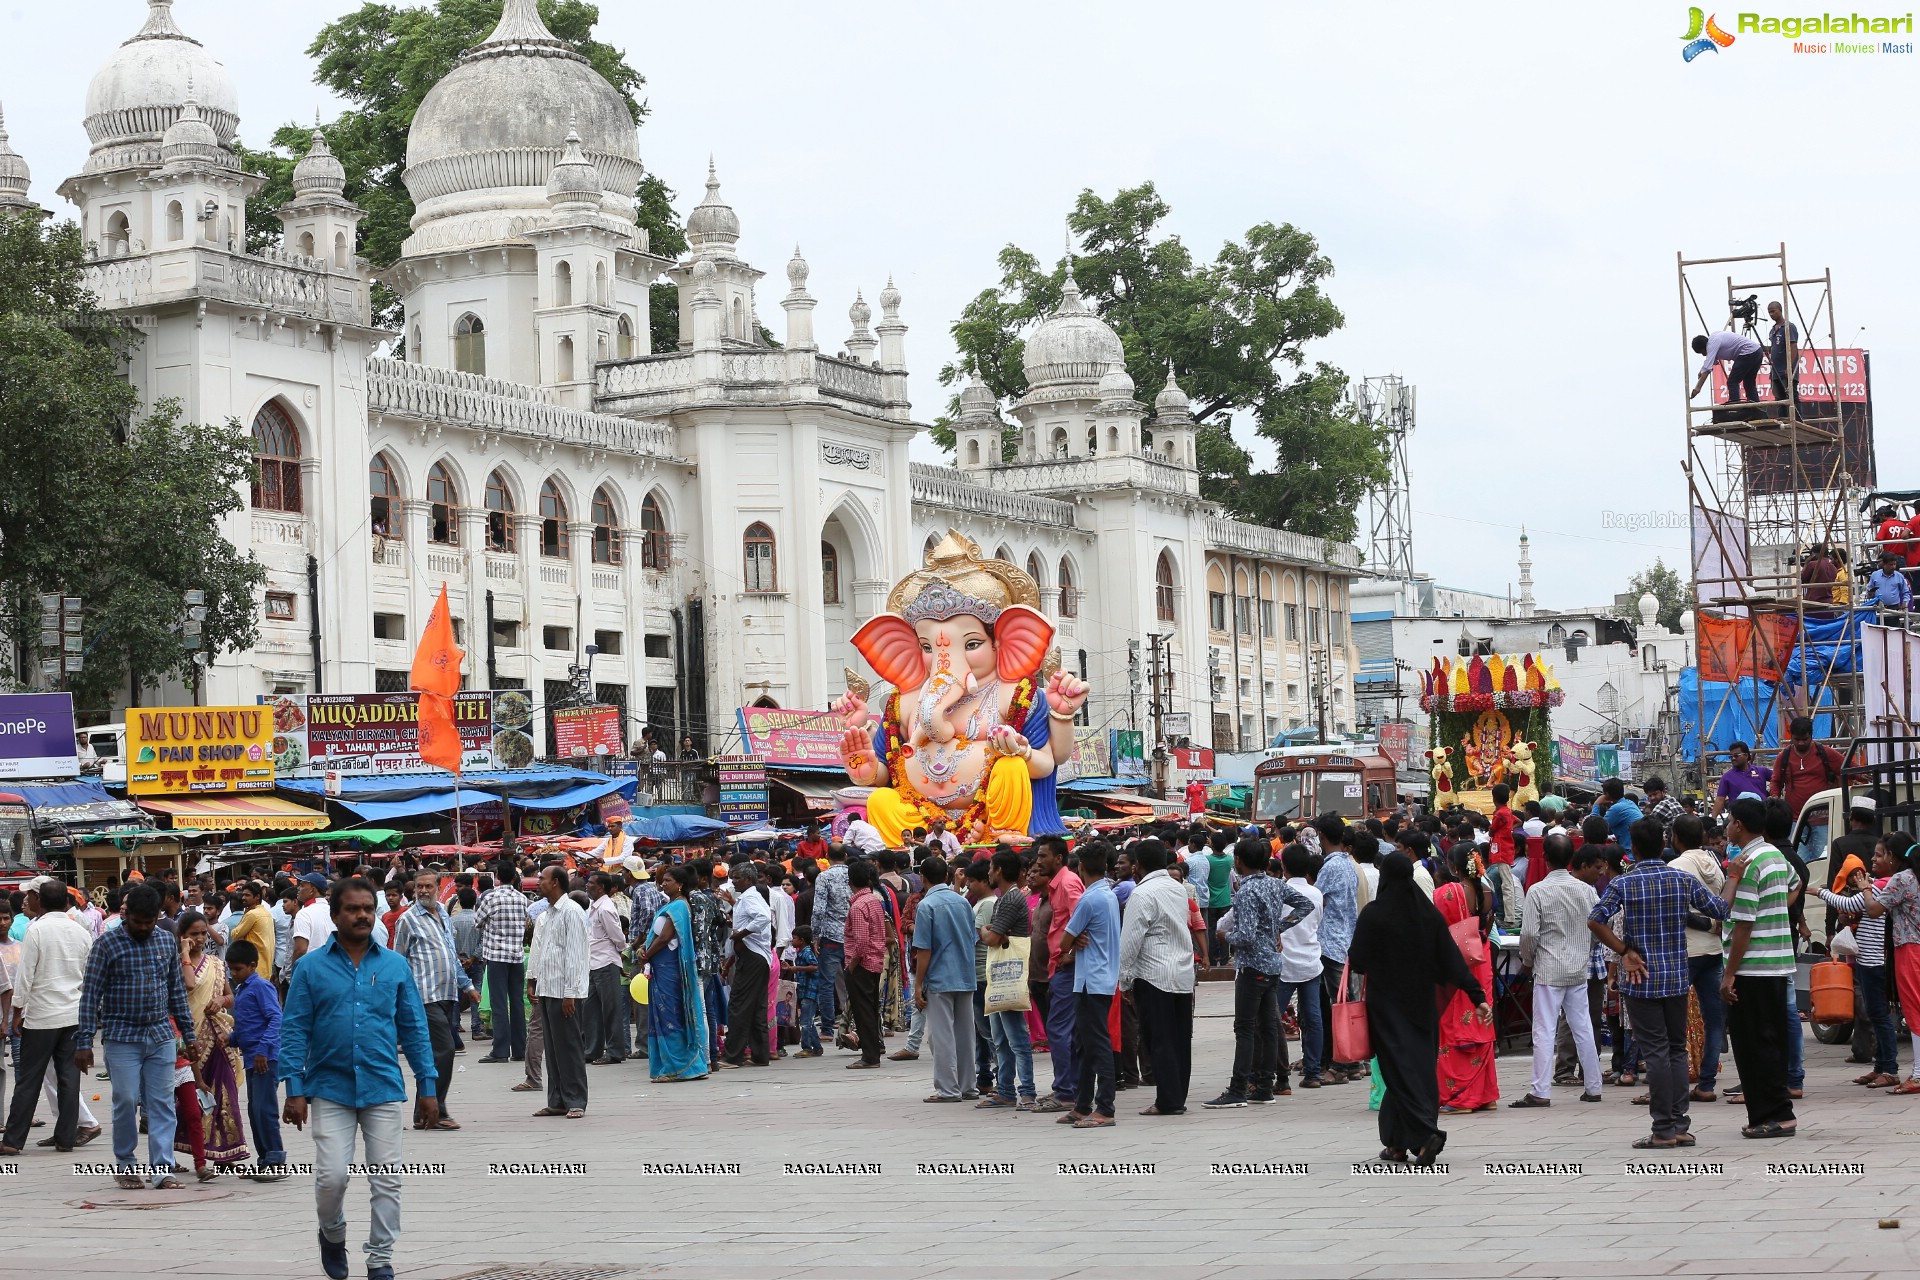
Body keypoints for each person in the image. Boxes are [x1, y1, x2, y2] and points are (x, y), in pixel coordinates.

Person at [281, 877, 436, 1280]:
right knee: (332, 1176)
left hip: (382, 1085)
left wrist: (428, 1085)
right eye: (353, 908)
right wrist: (293, 1089)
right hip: (329, 1087)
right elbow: (294, 1029)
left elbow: (414, 1028)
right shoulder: (310, 967)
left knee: (387, 1179)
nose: (363, 915)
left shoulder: (394, 966)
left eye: (368, 908)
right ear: (335, 916)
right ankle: (331, 1234)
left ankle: (380, 1259)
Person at [1589, 818, 1734, 1149]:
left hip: (1641, 979)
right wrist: (1734, 875)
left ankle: (1663, 1129)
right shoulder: (1681, 880)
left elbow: (1595, 920)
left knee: (1655, 1051)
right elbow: (1721, 909)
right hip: (1677, 978)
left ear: (1634, 849)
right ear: (1664, 843)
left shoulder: (1624, 884)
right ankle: (1679, 1123)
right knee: (1676, 1049)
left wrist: (1625, 951)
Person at [1350, 853, 1489, 1166]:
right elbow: (1452, 960)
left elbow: (1357, 959)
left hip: (1386, 1009)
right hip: (1422, 1008)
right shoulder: (1427, 914)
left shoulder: (1374, 914)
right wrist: (1477, 995)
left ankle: (1426, 1135)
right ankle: (1396, 1144)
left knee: (1398, 1073)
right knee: (1419, 1071)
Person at [74, 884, 196, 1189]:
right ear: (127, 916)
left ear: (157, 917)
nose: (143, 928)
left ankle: (162, 1170)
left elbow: (176, 993)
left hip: (160, 1034)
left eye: (149, 922)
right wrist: (84, 1041)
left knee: (162, 1103)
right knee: (126, 1100)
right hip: (121, 1037)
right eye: (138, 922)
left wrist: (189, 1036)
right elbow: (90, 995)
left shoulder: (166, 942)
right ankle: (126, 1164)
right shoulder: (107, 945)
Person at [1205, 837, 1314, 1109]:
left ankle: (1238, 1088)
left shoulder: (1246, 892)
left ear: (1239, 861)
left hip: (1253, 966)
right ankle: (1264, 1086)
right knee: (1267, 1028)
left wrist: (1223, 934)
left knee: (1244, 1028)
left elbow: (1246, 935)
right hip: (1273, 964)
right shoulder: (1276, 884)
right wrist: (1279, 928)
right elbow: (1305, 905)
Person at [1717, 797, 1799, 1137]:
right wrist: (1774, 911)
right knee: (1771, 1040)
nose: (1726, 827)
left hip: (1753, 967)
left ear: (1738, 825)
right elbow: (1795, 886)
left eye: (1729, 821)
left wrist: (1730, 973)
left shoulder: (1750, 862)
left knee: (1754, 1045)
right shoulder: (1774, 855)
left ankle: (1774, 1114)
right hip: (1777, 963)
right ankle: (1776, 1111)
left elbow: (1743, 924)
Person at [2, 879, 94, 1154]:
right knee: (69, 1077)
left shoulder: (37, 930)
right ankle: (66, 1137)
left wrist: (17, 1013)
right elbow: (87, 975)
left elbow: (26, 976)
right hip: (72, 1013)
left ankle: (12, 1140)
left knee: (29, 1078)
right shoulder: (79, 931)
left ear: (41, 900)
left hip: (42, 1015)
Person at [1512, 834, 1601, 1108]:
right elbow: (1598, 926)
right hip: (1577, 967)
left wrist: (1527, 961)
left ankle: (1540, 1090)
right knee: (1583, 1026)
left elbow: (1528, 935)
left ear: (1546, 859)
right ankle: (1593, 1086)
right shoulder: (1586, 891)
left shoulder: (1538, 891)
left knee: (1544, 1030)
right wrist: (1583, 947)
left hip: (1549, 969)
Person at [1817, 834, 1907, 1090]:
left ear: (1892, 858)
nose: (1873, 859)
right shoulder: (1881, 884)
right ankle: (1881, 1066)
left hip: (1875, 959)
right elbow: (1861, 911)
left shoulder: (1882, 885)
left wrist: (1820, 892)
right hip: (1869, 957)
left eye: (1879, 855)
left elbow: (1850, 902)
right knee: (1875, 1011)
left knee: (1879, 1013)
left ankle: (1889, 1068)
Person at [388, 869, 476, 1130]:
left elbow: (450, 955)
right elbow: (399, 959)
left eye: (428, 886)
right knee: (445, 1049)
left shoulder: (444, 916)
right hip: (423, 995)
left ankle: (425, 1112)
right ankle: (435, 1110)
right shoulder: (408, 919)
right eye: (419, 887)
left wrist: (467, 985)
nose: (423, 891)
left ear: (439, 886)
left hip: (447, 994)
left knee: (436, 1053)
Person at [1115, 839, 1194, 1115]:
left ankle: (1167, 1101)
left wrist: (1124, 979)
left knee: (1159, 1039)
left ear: (1138, 865)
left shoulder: (1142, 893)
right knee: (1180, 1039)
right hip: (1181, 973)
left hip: (1153, 974)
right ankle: (1176, 1096)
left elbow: (1131, 939)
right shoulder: (1177, 888)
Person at [175, 910, 251, 1173]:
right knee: (188, 1101)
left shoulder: (217, 965)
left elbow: (231, 996)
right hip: (186, 1039)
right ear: (182, 936)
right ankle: (178, 1152)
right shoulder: (175, 964)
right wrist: (184, 954)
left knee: (224, 1093)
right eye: (193, 934)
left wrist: (222, 1001)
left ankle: (227, 1151)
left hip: (216, 1037)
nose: (199, 938)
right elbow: (188, 986)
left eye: (203, 933)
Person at [1058, 841, 1122, 1128]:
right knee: (1084, 1044)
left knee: (1096, 1044)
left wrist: (1073, 943)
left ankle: (1105, 1107)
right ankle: (1083, 1104)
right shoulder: (1107, 895)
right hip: (1099, 977)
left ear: (1081, 867)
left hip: (1091, 981)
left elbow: (1064, 941)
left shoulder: (1089, 899)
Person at [1433, 848, 1499, 1114]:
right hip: (1481, 957)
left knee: (1453, 1026)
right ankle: (1485, 1095)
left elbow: (1438, 924)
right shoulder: (1486, 890)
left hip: (1458, 959)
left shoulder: (1449, 893)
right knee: (1481, 1021)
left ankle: (1460, 1097)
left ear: (1455, 867)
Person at [1668, 814, 1729, 1102]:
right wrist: (1712, 924)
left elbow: (1674, 908)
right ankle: (1706, 1083)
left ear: (1675, 838)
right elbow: (1721, 902)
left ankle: (1674, 1082)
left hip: (1687, 950)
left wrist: (1703, 923)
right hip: (1713, 950)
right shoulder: (1714, 862)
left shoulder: (1677, 866)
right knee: (1714, 1019)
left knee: (1674, 1018)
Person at [910, 854, 978, 1103]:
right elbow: (973, 938)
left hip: (940, 977)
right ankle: (968, 1085)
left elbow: (924, 950)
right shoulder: (962, 903)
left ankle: (948, 1089)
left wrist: (918, 984)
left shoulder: (926, 906)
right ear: (948, 877)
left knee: (942, 1035)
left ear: (923, 878)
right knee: (965, 1034)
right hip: (964, 974)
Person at [525, 866, 590, 1117]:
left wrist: (570, 993)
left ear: (556, 883)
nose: (538, 881)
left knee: (570, 1046)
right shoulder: (545, 915)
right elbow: (538, 950)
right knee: (553, 1050)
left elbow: (576, 955)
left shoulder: (571, 912)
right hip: (548, 988)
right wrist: (532, 980)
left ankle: (575, 1100)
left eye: (542, 878)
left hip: (565, 990)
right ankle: (558, 1099)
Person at [636, 865, 709, 1081]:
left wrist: (647, 954)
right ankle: (681, 1066)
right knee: (666, 1014)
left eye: (668, 880)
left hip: (669, 969)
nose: (663, 883)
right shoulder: (673, 904)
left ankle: (679, 1067)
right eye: (663, 880)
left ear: (680, 884)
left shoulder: (678, 906)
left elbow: (665, 937)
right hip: (662, 968)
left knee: (670, 1015)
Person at [979, 848, 1038, 1111]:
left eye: (991, 868)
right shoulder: (1007, 899)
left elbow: (993, 938)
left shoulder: (1011, 899)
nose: (988, 872)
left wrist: (984, 930)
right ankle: (1006, 1090)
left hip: (1009, 974)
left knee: (1015, 1038)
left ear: (999, 871)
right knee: (1002, 1038)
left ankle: (1026, 1091)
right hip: (1003, 975)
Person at [224, 938, 286, 1179]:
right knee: (254, 1110)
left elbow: (275, 1018)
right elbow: (247, 1024)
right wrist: (231, 1039)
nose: (234, 973)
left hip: (265, 1059)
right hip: (251, 1058)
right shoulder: (242, 989)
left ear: (252, 965)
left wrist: (263, 1049)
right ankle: (264, 1159)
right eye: (231, 968)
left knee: (265, 1109)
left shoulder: (261, 987)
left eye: (238, 969)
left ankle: (276, 1158)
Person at [1032, 836, 1084, 1113]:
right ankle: (1069, 1088)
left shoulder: (1067, 883)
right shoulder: (1057, 885)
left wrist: (1072, 953)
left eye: (1043, 856)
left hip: (1067, 967)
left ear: (1059, 859)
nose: (1039, 861)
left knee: (1058, 1029)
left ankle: (1065, 1092)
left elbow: (1082, 917)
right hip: (1060, 965)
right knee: (1067, 1031)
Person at [1274, 844, 1327, 1089]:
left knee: (1273, 1018)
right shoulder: (1316, 894)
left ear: (1283, 867)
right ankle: (1313, 1071)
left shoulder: (1280, 892)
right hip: (1311, 961)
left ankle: (1276, 1071)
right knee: (1313, 1018)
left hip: (1285, 963)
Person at [1314, 816, 1362, 1084]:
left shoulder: (1331, 867)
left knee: (1339, 1006)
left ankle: (1342, 1064)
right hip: (1344, 940)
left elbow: (1314, 899)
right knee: (1346, 1002)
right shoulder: (1347, 864)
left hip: (1331, 943)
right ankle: (1353, 1061)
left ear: (1322, 835)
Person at [472, 860, 530, 1065]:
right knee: (517, 1002)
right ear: (514, 877)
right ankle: (520, 1049)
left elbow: (477, 922)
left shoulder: (490, 898)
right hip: (516, 955)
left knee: (498, 1003)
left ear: (497, 878)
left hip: (496, 956)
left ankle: (501, 1050)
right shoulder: (522, 898)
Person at [719, 860, 774, 1069]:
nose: (733, 881)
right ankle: (760, 1054)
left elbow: (763, 917)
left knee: (739, 1005)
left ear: (748, 879)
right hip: (754, 957)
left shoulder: (751, 896)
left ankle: (733, 1056)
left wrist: (741, 933)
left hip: (753, 957)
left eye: (737, 878)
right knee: (755, 1007)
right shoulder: (745, 898)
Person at [842, 860, 887, 1070]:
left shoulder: (859, 905)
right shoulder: (873, 900)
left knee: (864, 1011)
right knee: (869, 1008)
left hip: (862, 963)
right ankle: (872, 1052)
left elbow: (860, 942)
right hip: (875, 961)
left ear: (850, 881)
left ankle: (870, 1056)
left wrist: (851, 966)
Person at [583, 872, 628, 1066]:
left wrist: (618, 954)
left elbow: (618, 938)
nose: (587, 886)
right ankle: (592, 1050)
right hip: (593, 962)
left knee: (611, 1009)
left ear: (601, 887)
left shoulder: (606, 908)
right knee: (590, 1008)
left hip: (605, 961)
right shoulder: (594, 906)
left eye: (591, 883)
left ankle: (615, 1051)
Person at [810, 843, 850, 1052]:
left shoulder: (824, 877)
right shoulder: (854, 874)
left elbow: (818, 910)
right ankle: (853, 1025)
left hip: (831, 936)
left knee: (826, 983)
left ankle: (827, 1028)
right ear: (845, 855)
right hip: (853, 935)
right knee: (854, 982)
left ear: (827, 856)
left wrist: (815, 936)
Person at [1769, 716, 1843, 824]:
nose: (1801, 743)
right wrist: (1775, 797)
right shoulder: (1783, 756)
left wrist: (1864, 775)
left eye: (1805, 739)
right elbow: (1776, 781)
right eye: (1797, 739)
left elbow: (1849, 766)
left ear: (1811, 736)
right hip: (1795, 821)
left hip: (1823, 820)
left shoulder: (1825, 752)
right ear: (1791, 737)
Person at [1691, 328, 1765, 406]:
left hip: (1747, 353)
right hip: (1757, 351)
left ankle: (1735, 408)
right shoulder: (1714, 338)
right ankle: (1756, 408)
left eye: (1702, 352)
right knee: (1749, 383)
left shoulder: (1711, 344)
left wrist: (1697, 388)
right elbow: (1708, 363)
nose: (1703, 355)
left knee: (1732, 382)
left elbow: (1707, 369)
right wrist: (1701, 371)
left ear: (1704, 347)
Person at [1713, 742, 1772, 818]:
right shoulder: (1727, 777)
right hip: (1739, 818)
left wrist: (1773, 793)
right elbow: (1720, 800)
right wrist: (1712, 820)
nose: (1733, 758)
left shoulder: (1761, 771)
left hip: (1762, 815)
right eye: (1731, 756)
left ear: (1746, 755)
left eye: (1736, 756)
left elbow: (1778, 779)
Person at [790, 924, 822, 1058]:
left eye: (794, 938)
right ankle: (817, 1047)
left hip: (810, 991)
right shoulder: (803, 952)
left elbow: (814, 967)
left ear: (801, 940)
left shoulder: (807, 952)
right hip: (805, 991)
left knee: (805, 1021)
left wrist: (797, 968)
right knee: (809, 1020)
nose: (792, 941)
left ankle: (807, 1047)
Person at [1765, 299, 1798, 409]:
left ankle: (1797, 421)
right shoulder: (1772, 330)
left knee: (1791, 397)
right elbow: (1774, 348)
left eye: (1773, 311)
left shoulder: (1788, 327)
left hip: (1785, 370)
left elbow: (1793, 347)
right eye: (1769, 312)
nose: (1771, 314)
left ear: (1780, 310)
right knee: (1779, 400)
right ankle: (1784, 422)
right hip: (1775, 370)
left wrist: (1789, 367)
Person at [1601, 777, 1641, 850]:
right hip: (1639, 851)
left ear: (1607, 794)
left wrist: (1596, 804)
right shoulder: (1630, 803)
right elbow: (1608, 831)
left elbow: (1596, 831)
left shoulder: (1616, 808)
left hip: (1630, 854)